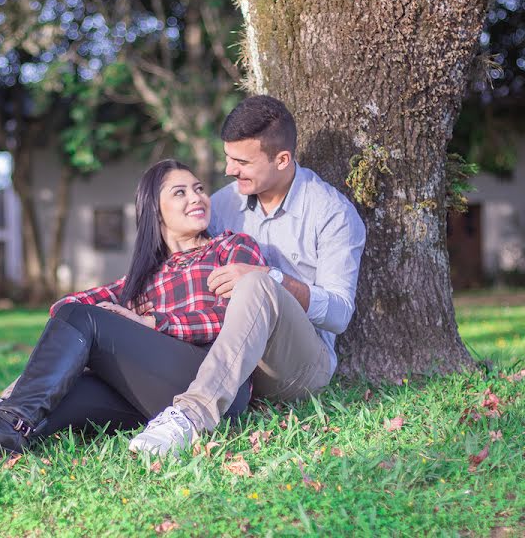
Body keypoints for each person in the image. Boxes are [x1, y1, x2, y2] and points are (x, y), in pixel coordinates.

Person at [0, 159, 264, 469]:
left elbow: (239, 320)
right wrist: (114, 315)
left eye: (198, 188)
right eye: (180, 192)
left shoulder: (231, 248)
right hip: (152, 399)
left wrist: (150, 324)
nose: (196, 197)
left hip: (213, 390)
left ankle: (8, 417)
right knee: (60, 393)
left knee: (86, 321)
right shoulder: (146, 277)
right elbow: (66, 310)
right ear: (155, 211)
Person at [128, 95, 366, 456]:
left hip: (296, 367)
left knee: (257, 283)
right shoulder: (223, 204)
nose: (228, 170)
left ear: (282, 159)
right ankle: (16, 402)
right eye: (227, 157)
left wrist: (272, 277)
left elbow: (339, 315)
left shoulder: (332, 214)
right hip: (219, 354)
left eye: (241, 161)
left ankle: (190, 419)